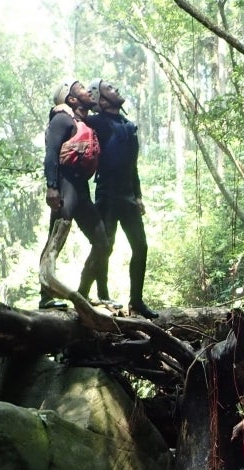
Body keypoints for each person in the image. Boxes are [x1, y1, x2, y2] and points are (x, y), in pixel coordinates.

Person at [85, 79, 159, 319]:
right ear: (102, 100)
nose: (116, 89)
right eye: (109, 89)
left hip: (128, 197)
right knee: (104, 247)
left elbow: (132, 166)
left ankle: (136, 300)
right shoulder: (97, 122)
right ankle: (98, 296)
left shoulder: (129, 126)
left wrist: (138, 196)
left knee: (141, 247)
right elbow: (72, 119)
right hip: (106, 194)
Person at [39, 79, 113, 309]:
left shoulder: (85, 122)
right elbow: (51, 154)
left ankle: (82, 294)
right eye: (81, 88)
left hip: (82, 189)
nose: (88, 91)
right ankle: (46, 297)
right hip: (64, 185)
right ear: (71, 99)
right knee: (55, 239)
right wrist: (52, 186)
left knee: (103, 243)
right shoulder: (62, 119)